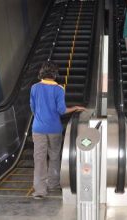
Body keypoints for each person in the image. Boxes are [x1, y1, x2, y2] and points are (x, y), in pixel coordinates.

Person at [30, 61, 85, 199]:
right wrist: (76, 107)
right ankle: (53, 184)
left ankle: (40, 191)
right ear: (55, 73)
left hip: (38, 128)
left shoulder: (34, 87)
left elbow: (33, 108)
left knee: (39, 159)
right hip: (54, 128)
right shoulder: (59, 89)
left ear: (42, 72)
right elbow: (61, 110)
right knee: (54, 156)